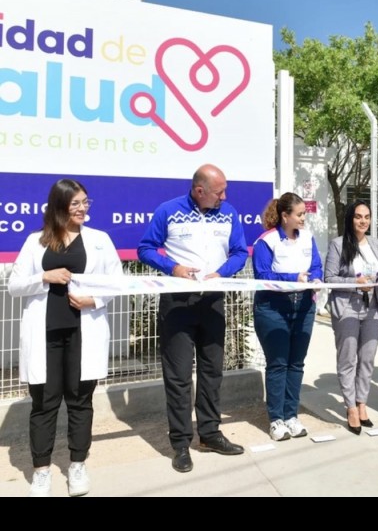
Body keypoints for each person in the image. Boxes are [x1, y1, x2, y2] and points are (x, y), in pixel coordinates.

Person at [9, 179, 122, 497]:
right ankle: (41, 471)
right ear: (59, 206)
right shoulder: (35, 241)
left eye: (86, 202)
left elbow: (116, 282)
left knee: (80, 401)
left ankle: (77, 465)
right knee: (44, 403)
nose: (83, 208)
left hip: (83, 333)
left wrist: (93, 300)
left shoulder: (99, 240)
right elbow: (15, 286)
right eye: (76, 203)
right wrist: (43, 276)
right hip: (44, 335)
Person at [138, 164, 248, 473]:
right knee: (179, 376)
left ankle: (210, 434)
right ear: (200, 191)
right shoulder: (168, 211)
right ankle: (181, 444)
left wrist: (221, 273)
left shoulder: (229, 213)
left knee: (212, 371)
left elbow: (240, 253)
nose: (224, 197)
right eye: (219, 192)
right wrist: (173, 268)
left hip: (213, 301)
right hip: (177, 303)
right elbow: (146, 248)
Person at [253, 192, 323, 441]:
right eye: (300, 214)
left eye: (304, 214)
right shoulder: (267, 241)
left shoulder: (308, 238)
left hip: (303, 307)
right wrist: (294, 278)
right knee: (278, 363)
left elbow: (316, 265)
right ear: (285, 216)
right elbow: (262, 275)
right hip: (273, 308)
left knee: (296, 363)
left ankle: (291, 415)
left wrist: (316, 279)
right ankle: (276, 419)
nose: (304, 218)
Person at [324, 200, 378, 435]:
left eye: (367, 217)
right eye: (358, 216)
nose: (363, 221)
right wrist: (355, 283)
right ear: (350, 219)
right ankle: (350, 407)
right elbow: (329, 278)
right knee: (348, 359)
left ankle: (362, 403)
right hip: (347, 307)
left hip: (372, 307)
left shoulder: (374, 243)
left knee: (367, 359)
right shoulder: (338, 244)